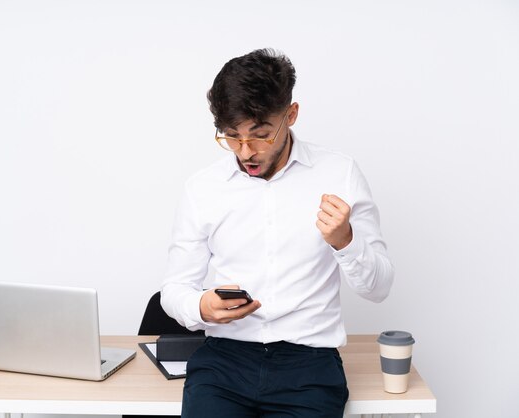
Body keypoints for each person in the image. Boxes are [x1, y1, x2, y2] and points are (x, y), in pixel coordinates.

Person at [160, 48, 394, 418]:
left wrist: (346, 241)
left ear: (291, 115)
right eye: (232, 137)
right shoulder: (202, 188)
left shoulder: (340, 173)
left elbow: (379, 288)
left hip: (309, 365)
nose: (246, 151)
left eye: (261, 134)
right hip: (224, 363)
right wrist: (201, 307)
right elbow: (174, 290)